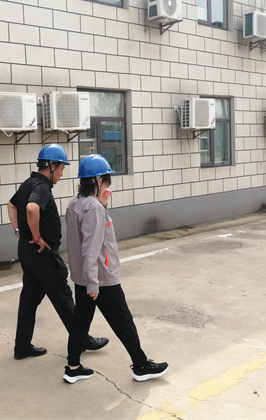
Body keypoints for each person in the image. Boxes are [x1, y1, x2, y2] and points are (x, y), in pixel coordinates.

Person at [63, 154, 168, 383]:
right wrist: (93, 282)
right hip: (100, 277)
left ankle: (73, 367)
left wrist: (102, 205)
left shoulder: (75, 203)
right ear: (99, 180)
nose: (108, 184)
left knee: (80, 321)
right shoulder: (94, 208)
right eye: (107, 180)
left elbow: (80, 238)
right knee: (123, 320)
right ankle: (141, 365)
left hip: (83, 276)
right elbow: (92, 247)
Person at [7, 144, 109, 360]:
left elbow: (11, 205)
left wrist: (18, 230)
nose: (62, 174)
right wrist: (37, 236)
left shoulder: (28, 183)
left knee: (29, 299)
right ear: (51, 166)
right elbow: (31, 208)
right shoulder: (41, 187)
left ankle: (22, 346)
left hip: (26, 250)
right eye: (61, 168)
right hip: (41, 252)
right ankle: (82, 339)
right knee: (63, 296)